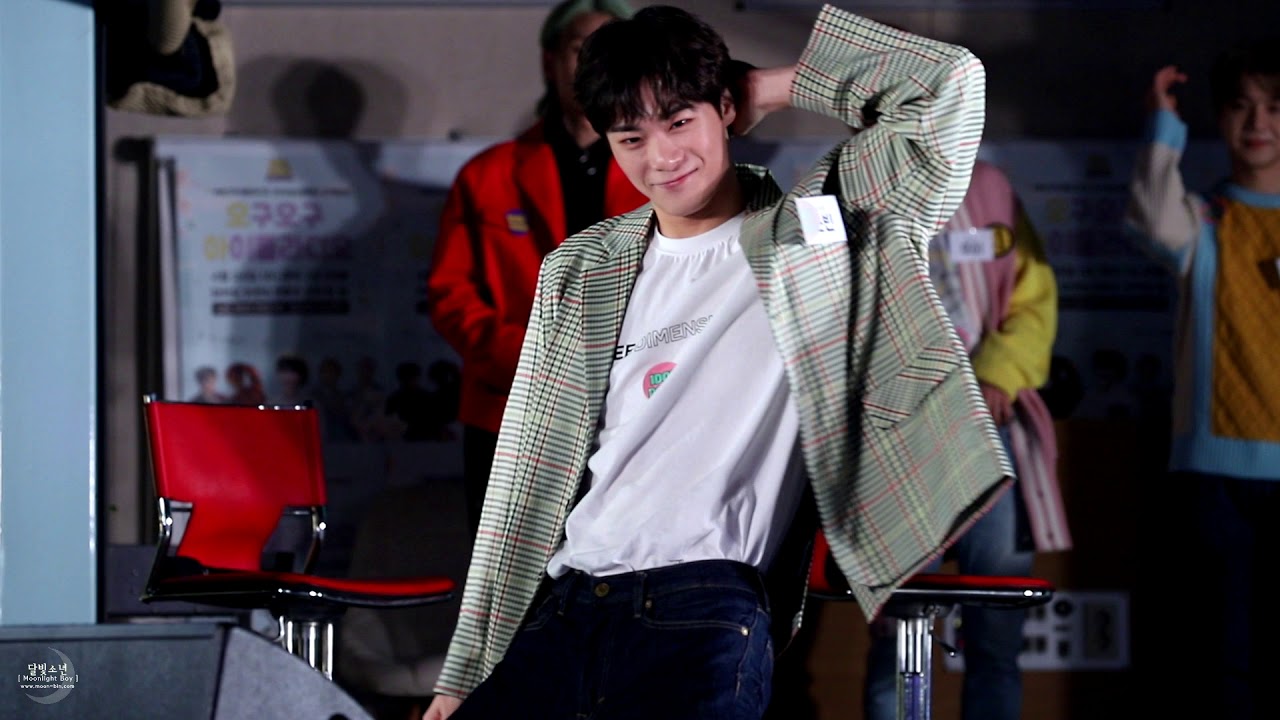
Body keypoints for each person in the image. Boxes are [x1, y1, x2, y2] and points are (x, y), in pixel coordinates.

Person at [423, 5, 1007, 719]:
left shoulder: (820, 229)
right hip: (566, 605)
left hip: (702, 608)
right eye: (631, 137)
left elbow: (949, 83)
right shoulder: (582, 268)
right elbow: (526, 474)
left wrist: (768, 86)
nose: (660, 157)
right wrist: (464, 674)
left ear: (724, 109)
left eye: (679, 122)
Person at [425, 0, 648, 538]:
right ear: (551, 61)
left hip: (636, 411)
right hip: (510, 410)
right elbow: (450, 295)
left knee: (629, 569)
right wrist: (528, 363)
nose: (593, 65)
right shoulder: (489, 174)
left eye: (610, 50)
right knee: (515, 579)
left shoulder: (663, 170)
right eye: (580, 49)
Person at [863, 160, 1070, 720]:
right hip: (899, 435)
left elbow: (1033, 300)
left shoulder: (989, 188)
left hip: (986, 426)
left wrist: (998, 376)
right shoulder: (866, 183)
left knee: (995, 633)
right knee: (898, 638)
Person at [1125, 44, 1280, 718]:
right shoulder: (1204, 219)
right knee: (1224, 656)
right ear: (1220, 116)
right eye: (1242, 106)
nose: (1258, 122)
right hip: (1214, 473)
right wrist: (1164, 124)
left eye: (1275, 107)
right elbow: (1151, 218)